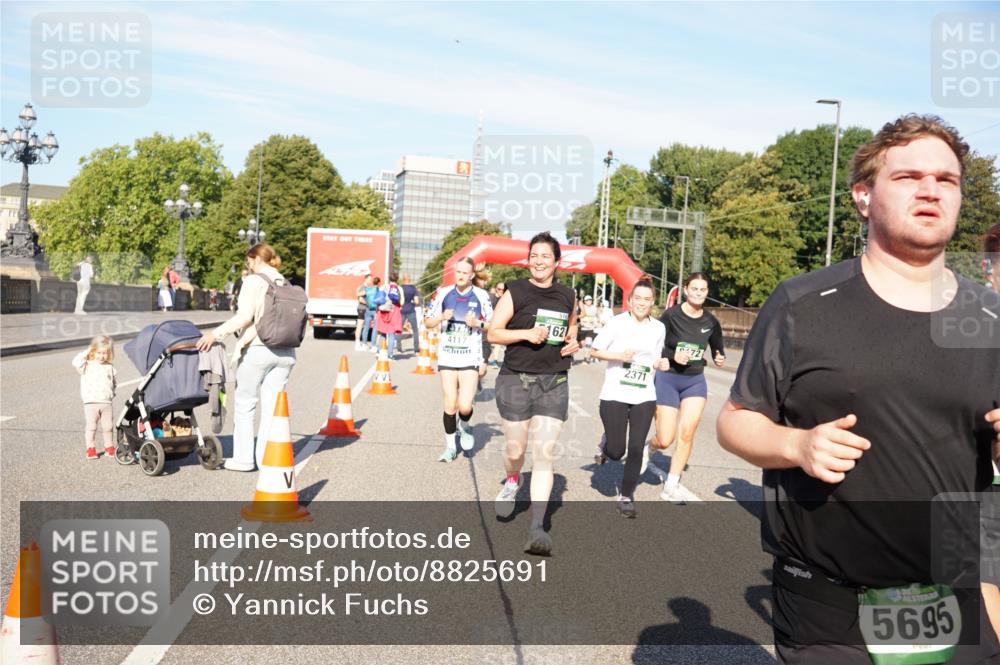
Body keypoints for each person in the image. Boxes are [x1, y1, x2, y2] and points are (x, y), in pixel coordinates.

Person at [717, 114, 1000, 663]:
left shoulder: (990, 318)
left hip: (952, 594)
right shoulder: (802, 303)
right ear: (864, 196)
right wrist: (796, 446)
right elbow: (735, 420)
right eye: (908, 176)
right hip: (829, 603)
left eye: (946, 180)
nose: (930, 190)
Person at [488, 231, 580, 555]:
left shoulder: (568, 295)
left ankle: (536, 528)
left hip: (553, 381)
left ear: (557, 261)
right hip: (516, 379)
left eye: (545, 256)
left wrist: (573, 342)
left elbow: (571, 329)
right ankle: (512, 480)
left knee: (544, 454)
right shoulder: (516, 290)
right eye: (534, 256)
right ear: (528, 260)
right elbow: (493, 332)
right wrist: (526, 332)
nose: (539, 261)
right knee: (516, 450)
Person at [196, 244, 297, 472]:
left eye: (248, 262)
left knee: (245, 404)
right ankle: (266, 459)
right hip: (286, 351)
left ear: (253, 259)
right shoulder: (284, 281)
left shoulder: (254, 280)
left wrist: (215, 333)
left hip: (258, 349)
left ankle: (243, 459)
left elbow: (244, 317)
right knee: (272, 409)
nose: (248, 266)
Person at [589, 277, 664, 518]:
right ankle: (606, 444)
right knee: (616, 451)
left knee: (635, 448)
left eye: (647, 299)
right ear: (630, 301)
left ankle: (626, 495)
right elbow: (595, 350)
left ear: (652, 302)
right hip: (615, 392)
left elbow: (656, 357)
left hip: (644, 393)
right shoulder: (616, 323)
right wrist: (620, 355)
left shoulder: (658, 328)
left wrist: (661, 363)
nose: (642, 303)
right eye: (638, 299)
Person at [649, 273, 726, 503]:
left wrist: (719, 357)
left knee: (687, 433)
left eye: (703, 290)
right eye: (694, 289)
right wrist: (673, 355)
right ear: (685, 290)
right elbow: (655, 345)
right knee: (665, 439)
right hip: (668, 378)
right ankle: (650, 448)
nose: (699, 293)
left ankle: (672, 485)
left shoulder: (711, 321)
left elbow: (717, 349)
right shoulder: (671, 316)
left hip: (694, 380)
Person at [424, 257, 493, 462]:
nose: (461, 275)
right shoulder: (443, 293)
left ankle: (465, 426)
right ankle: (450, 447)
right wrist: (440, 318)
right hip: (447, 355)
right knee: (450, 405)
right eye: (458, 272)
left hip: (470, 356)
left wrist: (478, 323)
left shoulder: (481, 295)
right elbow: (428, 322)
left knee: (464, 406)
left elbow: (492, 325)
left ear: (472, 275)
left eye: (465, 272)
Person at [72, 336, 118, 460]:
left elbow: (114, 382)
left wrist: (111, 393)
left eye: (104, 353)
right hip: (91, 402)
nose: (101, 356)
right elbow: (75, 361)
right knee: (91, 426)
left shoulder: (110, 367)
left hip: (106, 402)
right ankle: (90, 448)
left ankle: (109, 447)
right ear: (93, 351)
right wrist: (87, 351)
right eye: (98, 353)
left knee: (108, 426)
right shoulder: (87, 365)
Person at [375, 274, 403, 359]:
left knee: (382, 332)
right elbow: (401, 302)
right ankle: (390, 354)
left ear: (389, 279)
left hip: (383, 311)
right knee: (391, 334)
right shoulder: (399, 288)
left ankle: (379, 352)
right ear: (397, 279)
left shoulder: (383, 287)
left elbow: (378, 299)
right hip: (394, 312)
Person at [400, 274, 422, 354]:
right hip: (411, 310)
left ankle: (399, 347)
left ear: (403, 280)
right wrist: (412, 302)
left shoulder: (400, 288)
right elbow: (417, 301)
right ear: (409, 280)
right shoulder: (413, 288)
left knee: (399, 329)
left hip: (401, 311)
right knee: (415, 330)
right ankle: (416, 349)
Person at [488, 282, 507, 368]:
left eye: (503, 290)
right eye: (499, 289)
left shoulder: (504, 300)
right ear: (496, 289)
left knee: (498, 342)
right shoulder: (490, 297)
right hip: (487, 322)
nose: (501, 291)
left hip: (497, 323)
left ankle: (495, 360)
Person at [577, 294, 598, 363]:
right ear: (584, 301)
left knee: (588, 343)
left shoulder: (594, 308)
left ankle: (586, 358)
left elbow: (595, 317)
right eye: (587, 300)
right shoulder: (582, 307)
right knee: (581, 344)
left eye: (590, 300)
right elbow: (580, 316)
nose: (589, 301)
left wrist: (596, 324)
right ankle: (570, 356)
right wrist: (582, 323)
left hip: (590, 329)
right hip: (582, 329)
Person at [355, 274, 372, 351]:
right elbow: (360, 299)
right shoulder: (363, 287)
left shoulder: (367, 287)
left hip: (364, 309)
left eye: (371, 279)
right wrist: (369, 304)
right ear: (365, 279)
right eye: (369, 279)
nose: (370, 280)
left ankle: (361, 343)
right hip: (362, 308)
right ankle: (357, 343)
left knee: (364, 326)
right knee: (360, 325)